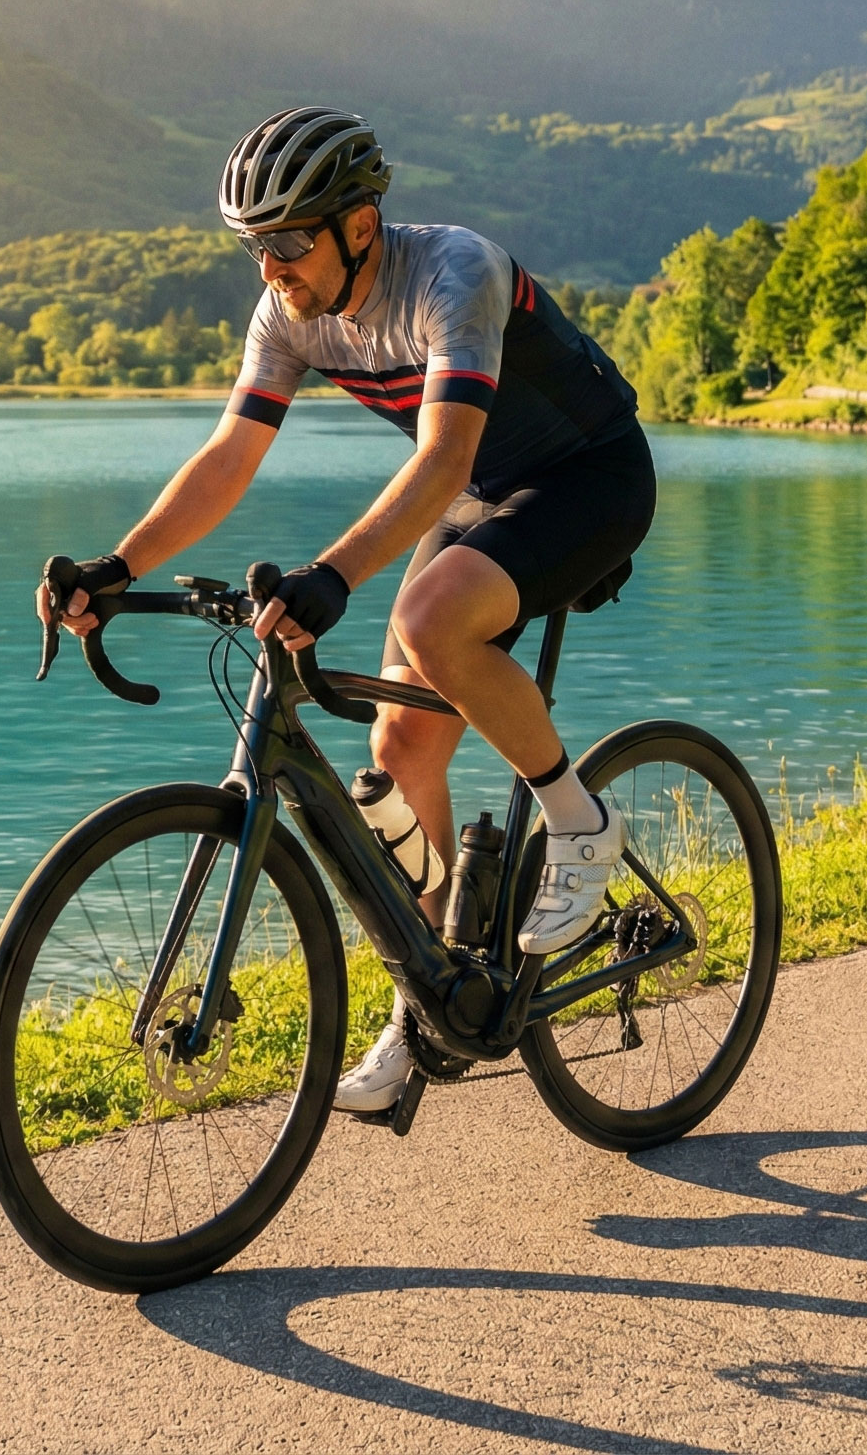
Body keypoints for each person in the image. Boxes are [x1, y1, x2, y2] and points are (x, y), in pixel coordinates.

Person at [37, 107, 657, 1114]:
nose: (269, 268)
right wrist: (117, 564)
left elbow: (443, 457)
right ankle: (436, 992)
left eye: (285, 243)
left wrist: (331, 573)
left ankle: (577, 824)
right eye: (253, 248)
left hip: (587, 476)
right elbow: (229, 456)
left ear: (357, 225)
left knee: (427, 617)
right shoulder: (287, 312)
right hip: (479, 494)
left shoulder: (454, 272)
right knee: (396, 755)